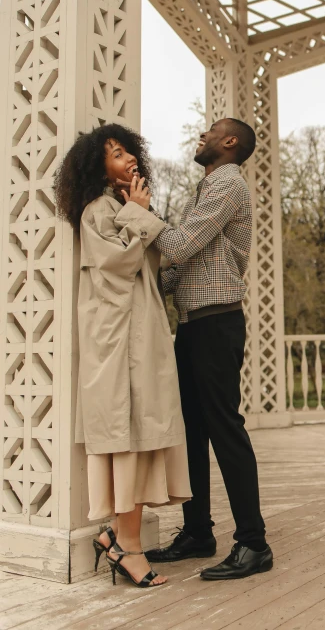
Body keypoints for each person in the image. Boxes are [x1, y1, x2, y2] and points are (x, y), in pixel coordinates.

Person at [118, 117, 273, 580]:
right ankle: (198, 533)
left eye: (211, 130)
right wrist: (145, 288)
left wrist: (136, 211)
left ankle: (253, 543)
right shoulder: (207, 187)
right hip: (191, 325)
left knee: (225, 429)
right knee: (191, 435)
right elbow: (178, 266)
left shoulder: (228, 185)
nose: (201, 134)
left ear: (230, 142)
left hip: (217, 323)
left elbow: (181, 247)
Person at [54, 124, 191, 589]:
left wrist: (136, 213)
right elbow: (116, 269)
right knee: (125, 435)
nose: (128, 158)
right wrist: (138, 213)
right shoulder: (98, 210)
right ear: (99, 167)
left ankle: (117, 536)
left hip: (140, 335)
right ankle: (126, 547)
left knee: (140, 430)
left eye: (128, 150)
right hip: (116, 342)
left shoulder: (122, 207)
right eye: (115, 154)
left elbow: (155, 262)